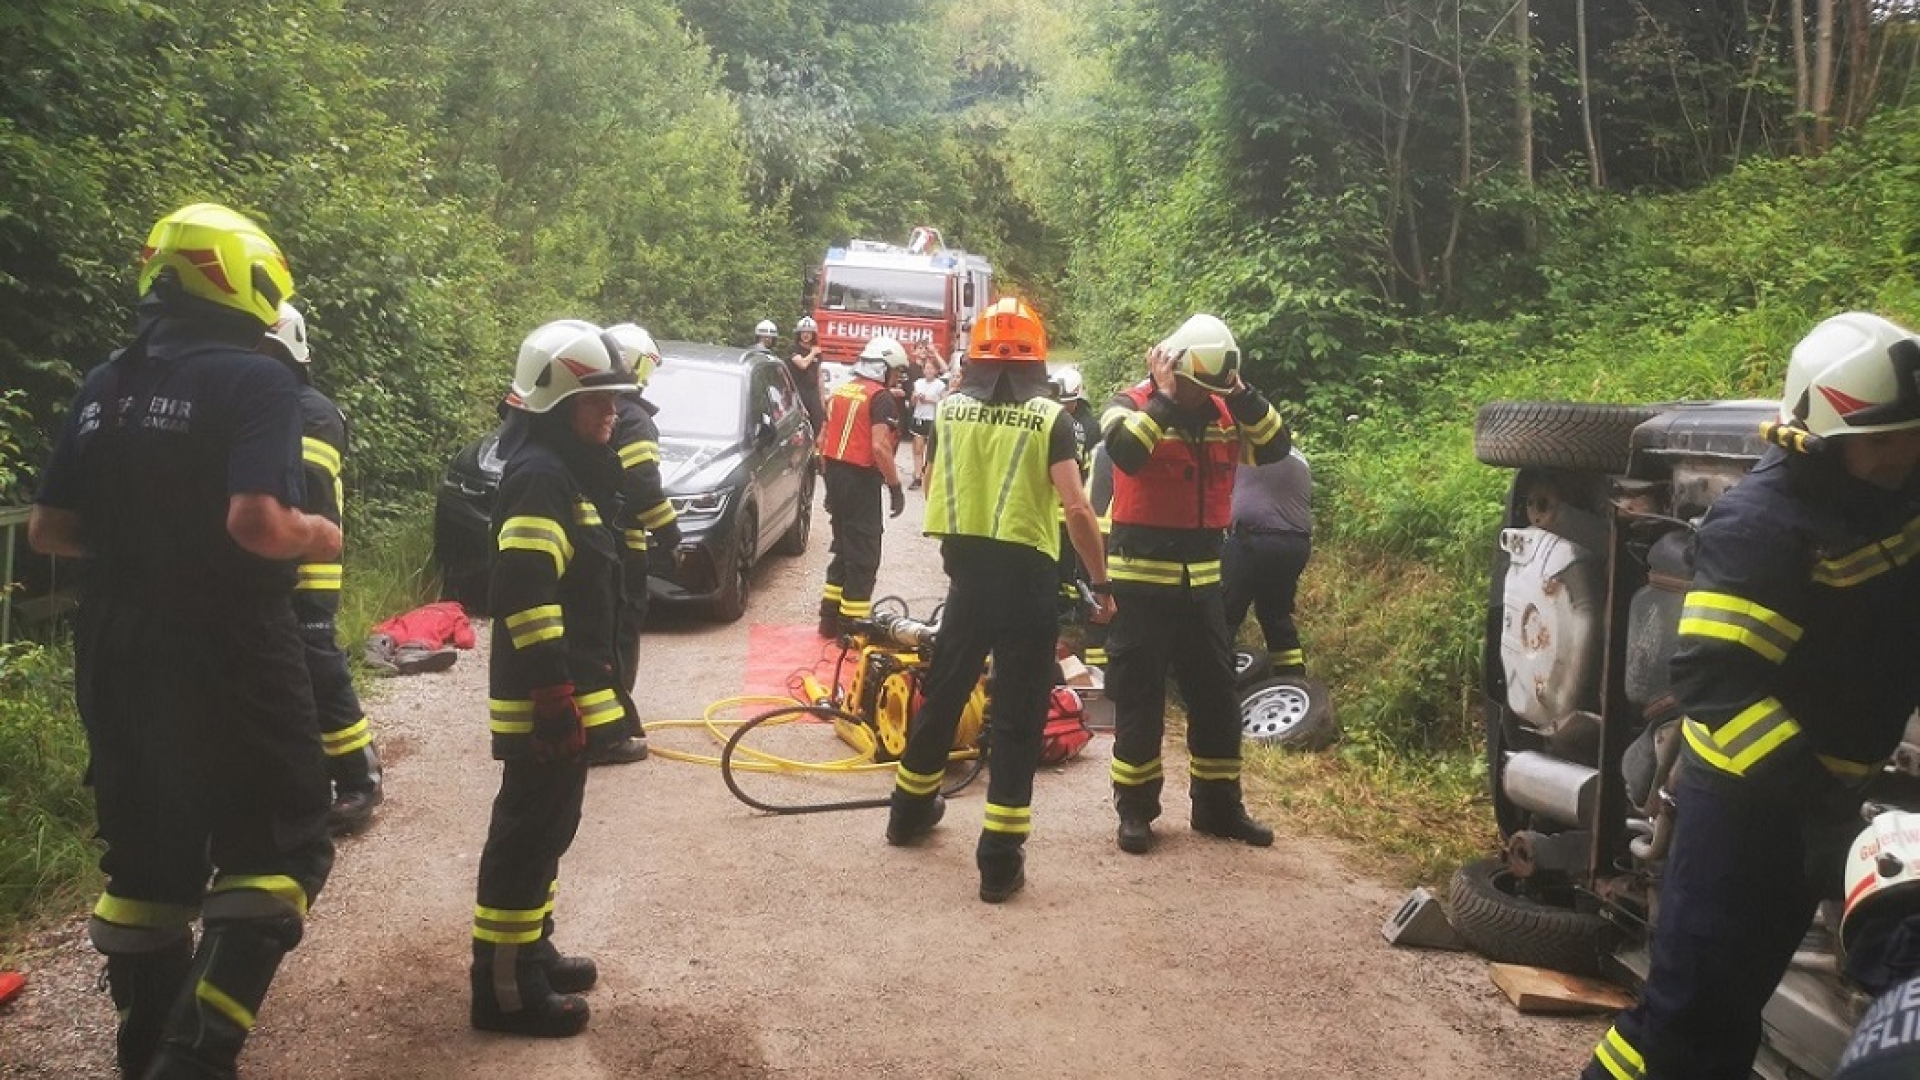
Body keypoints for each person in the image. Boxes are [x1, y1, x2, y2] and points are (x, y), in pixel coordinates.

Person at [28, 202, 340, 1080]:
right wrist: (318, 534)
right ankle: (195, 1058)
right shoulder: (257, 381)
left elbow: (50, 528)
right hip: (230, 642)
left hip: (116, 646)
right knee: (280, 850)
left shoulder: (104, 385)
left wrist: (144, 539)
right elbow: (256, 523)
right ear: (246, 280)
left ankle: (144, 1050)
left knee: (148, 866)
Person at [1583, 311, 1920, 1080]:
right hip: (1746, 814)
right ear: (1828, 433)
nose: (1909, 450)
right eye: (1890, 439)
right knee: (1682, 1027)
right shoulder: (1764, 528)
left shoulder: (1881, 490)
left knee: (1729, 1019)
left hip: (1817, 801)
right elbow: (1715, 683)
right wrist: (1814, 806)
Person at [885, 297, 1115, 903]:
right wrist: (1104, 583)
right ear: (1037, 356)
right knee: (1015, 719)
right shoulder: (1051, 419)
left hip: (967, 578)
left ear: (976, 355)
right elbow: (1076, 507)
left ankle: (907, 813)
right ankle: (998, 861)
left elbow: (935, 481)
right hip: (1028, 585)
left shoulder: (952, 410)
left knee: (945, 692)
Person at [471, 319, 636, 1038]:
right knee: (527, 835)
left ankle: (530, 950)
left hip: (562, 696)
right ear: (552, 404)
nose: (612, 414)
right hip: (543, 701)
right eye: (595, 403)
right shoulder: (542, 477)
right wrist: (551, 696)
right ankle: (505, 993)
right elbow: (526, 589)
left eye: (612, 401)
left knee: (550, 829)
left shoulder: (569, 469)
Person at [1100, 313, 1291, 855]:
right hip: (1141, 584)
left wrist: (1241, 393)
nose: (1199, 398)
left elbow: (1276, 447)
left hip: (1204, 583)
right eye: (1192, 386)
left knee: (1216, 699)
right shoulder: (1131, 406)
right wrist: (1162, 400)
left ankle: (1218, 807)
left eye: (1212, 388)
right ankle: (1136, 812)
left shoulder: (1224, 407)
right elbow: (1127, 455)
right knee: (1140, 701)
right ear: (1170, 368)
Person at [260, 303, 387, 834]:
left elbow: (308, 490)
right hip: (260, 566)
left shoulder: (313, 412)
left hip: (309, 565)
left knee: (318, 667)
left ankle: (359, 777)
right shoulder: (254, 405)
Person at [596, 322, 680, 766]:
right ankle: (612, 730)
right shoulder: (634, 419)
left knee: (595, 631)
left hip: (593, 538)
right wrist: (670, 535)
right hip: (622, 542)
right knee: (620, 632)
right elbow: (644, 486)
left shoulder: (595, 408)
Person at [816, 335, 908, 637]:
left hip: (835, 475)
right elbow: (880, 447)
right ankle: (851, 628)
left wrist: (830, 485)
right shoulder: (880, 398)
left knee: (843, 548)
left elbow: (823, 440)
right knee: (864, 554)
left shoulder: (842, 391)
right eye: (895, 371)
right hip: (860, 479)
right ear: (883, 367)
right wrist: (894, 487)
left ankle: (828, 619)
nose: (897, 378)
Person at [1221, 447, 1313, 676]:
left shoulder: (1248, 450)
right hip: (1295, 545)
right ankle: (1292, 676)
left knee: (1224, 611)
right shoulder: (1300, 459)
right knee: (1275, 613)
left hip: (1255, 540)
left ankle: (1210, 681)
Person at [907, 351, 946, 489]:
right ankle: (917, 476)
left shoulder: (940, 385)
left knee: (931, 450)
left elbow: (944, 402)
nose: (928, 371)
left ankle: (928, 473)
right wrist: (915, 397)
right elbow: (912, 403)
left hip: (932, 419)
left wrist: (930, 400)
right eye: (926, 368)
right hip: (919, 418)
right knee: (918, 449)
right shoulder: (918, 383)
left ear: (936, 371)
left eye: (931, 368)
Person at [788, 316, 827, 433]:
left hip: (813, 391)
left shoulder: (817, 352)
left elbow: (819, 376)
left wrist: (822, 399)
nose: (806, 335)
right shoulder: (794, 349)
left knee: (817, 420)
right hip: (798, 391)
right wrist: (813, 353)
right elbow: (803, 364)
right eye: (803, 332)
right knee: (801, 422)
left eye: (809, 333)